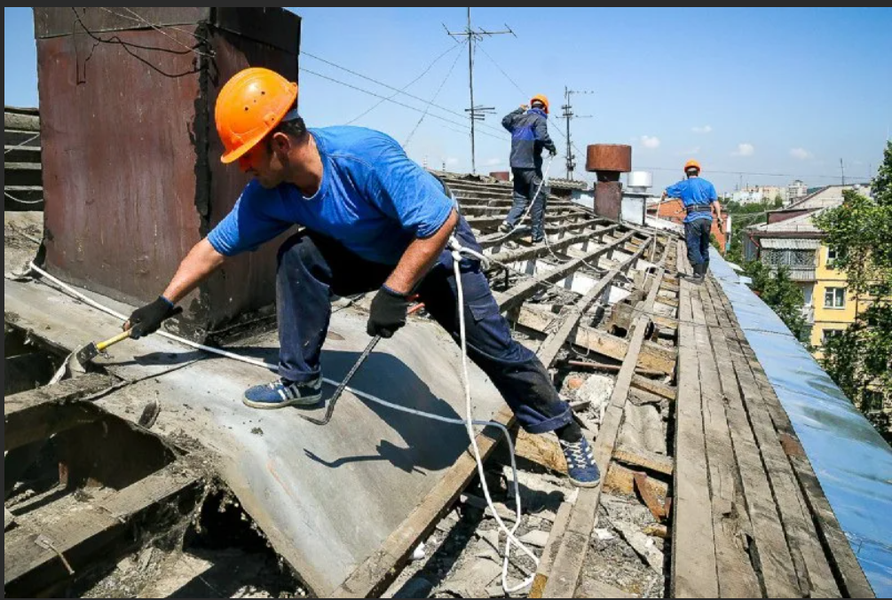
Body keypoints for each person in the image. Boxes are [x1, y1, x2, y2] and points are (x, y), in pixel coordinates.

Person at [124, 68, 600, 487]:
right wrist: (164, 303)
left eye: (248, 156)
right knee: (300, 252)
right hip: (370, 254)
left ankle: (565, 429)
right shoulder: (269, 194)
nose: (245, 169)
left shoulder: (362, 155)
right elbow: (213, 248)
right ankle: (301, 381)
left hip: (435, 251)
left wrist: (395, 292)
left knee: (493, 349)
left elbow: (438, 223)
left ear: (281, 144)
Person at [499, 94, 557, 243]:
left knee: (520, 199)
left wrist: (519, 110)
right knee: (538, 200)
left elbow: (505, 120)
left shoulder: (518, 119)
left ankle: (509, 222)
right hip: (530, 166)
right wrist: (552, 148)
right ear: (544, 108)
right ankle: (537, 236)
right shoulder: (539, 119)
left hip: (515, 166)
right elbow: (542, 137)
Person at [661, 159, 723, 281]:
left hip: (693, 218)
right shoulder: (708, 184)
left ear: (686, 173)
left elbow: (665, 191)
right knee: (704, 245)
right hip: (707, 218)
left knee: (693, 245)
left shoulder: (683, 185)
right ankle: (703, 273)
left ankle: (697, 275)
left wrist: (662, 198)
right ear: (698, 172)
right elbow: (715, 202)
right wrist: (719, 217)